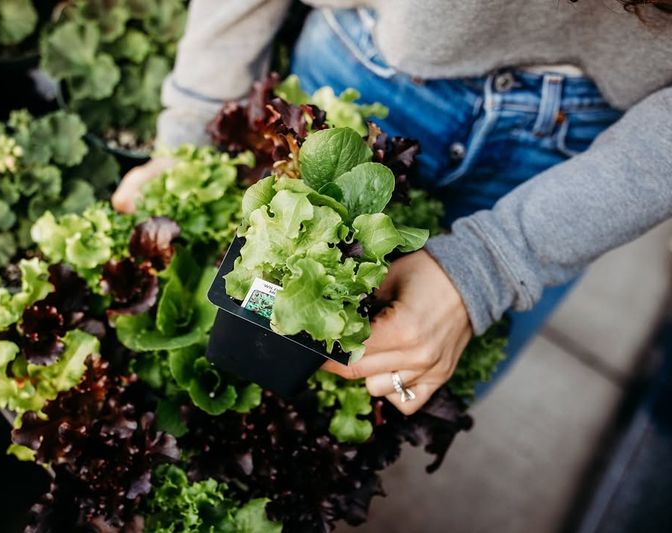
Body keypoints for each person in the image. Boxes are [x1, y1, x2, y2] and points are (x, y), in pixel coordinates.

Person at [112, 1, 672, 415]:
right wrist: (194, 126)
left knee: (392, 397)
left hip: (582, 161)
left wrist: (497, 262)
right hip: (364, 67)